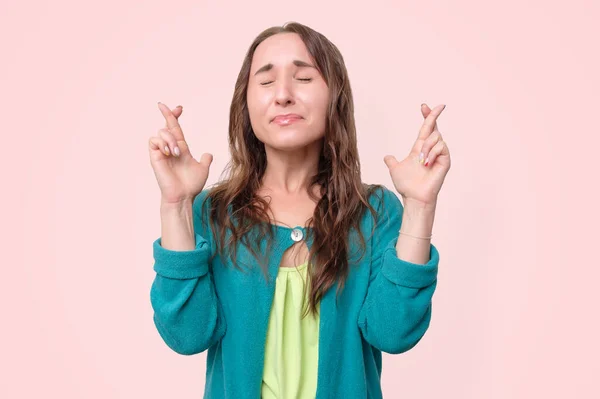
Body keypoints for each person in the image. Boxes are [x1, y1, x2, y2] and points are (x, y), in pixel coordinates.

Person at [148, 21, 450, 399]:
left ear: (334, 96)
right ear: (246, 103)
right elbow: (187, 335)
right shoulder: (212, 212)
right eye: (266, 81)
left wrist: (420, 206)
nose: (283, 95)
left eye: (304, 78)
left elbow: (394, 332)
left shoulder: (374, 212)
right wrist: (176, 205)